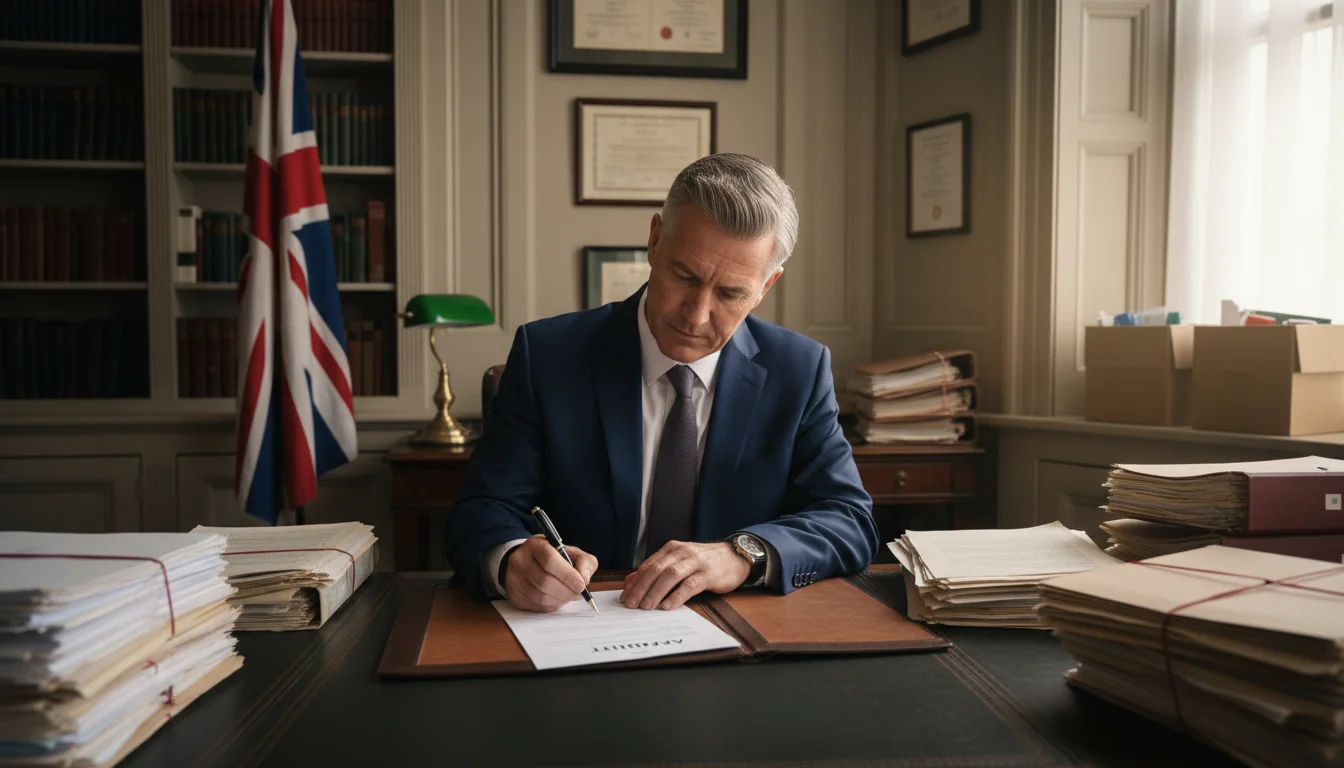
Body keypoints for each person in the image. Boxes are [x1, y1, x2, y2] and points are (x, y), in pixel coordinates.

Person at [446, 152, 877, 612]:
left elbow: (848, 520)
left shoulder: (800, 370)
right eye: (684, 276)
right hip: (579, 628)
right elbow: (482, 511)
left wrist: (742, 555)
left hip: (737, 638)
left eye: (731, 293)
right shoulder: (548, 356)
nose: (696, 315)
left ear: (766, 286)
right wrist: (511, 559)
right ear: (654, 241)